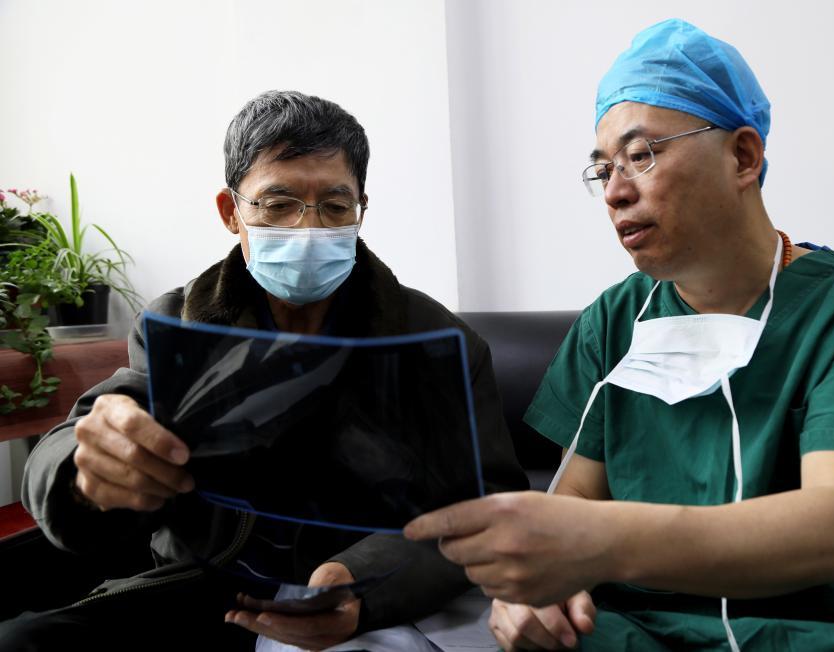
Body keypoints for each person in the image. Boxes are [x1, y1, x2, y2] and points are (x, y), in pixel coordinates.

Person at [405, 19, 834, 651]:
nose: (614, 192)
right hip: (639, 634)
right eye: (602, 169)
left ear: (743, 157)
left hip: (822, 631)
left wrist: (599, 542)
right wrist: (536, 587)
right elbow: (571, 499)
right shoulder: (612, 323)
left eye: (640, 155)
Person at [0, 90, 527, 651]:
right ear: (232, 212)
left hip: (365, 595)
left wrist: (364, 581)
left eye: (334, 205)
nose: (308, 229)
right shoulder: (178, 324)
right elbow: (87, 434)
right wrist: (85, 470)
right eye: (278, 204)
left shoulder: (439, 343)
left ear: (361, 210)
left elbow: (484, 504)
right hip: (204, 591)